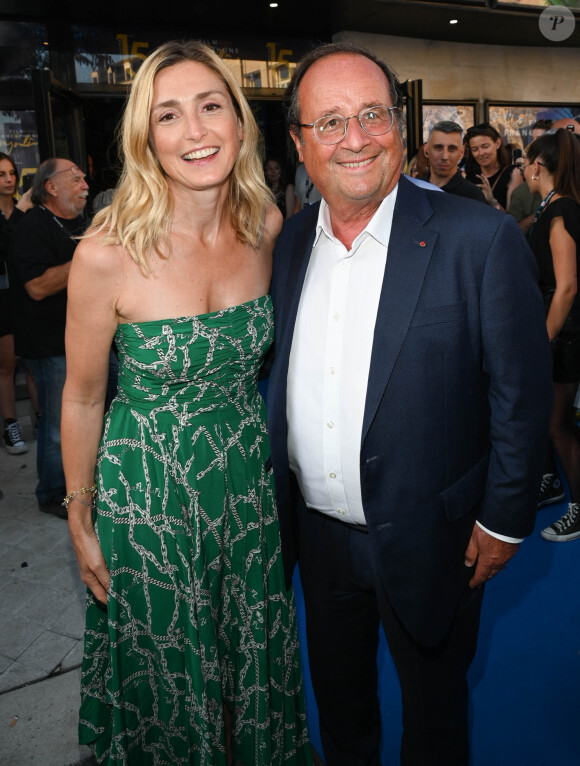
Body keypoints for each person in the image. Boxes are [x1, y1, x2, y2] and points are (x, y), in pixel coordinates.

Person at [267, 41, 552, 766]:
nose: (355, 138)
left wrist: (504, 519)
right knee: (341, 709)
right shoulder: (287, 245)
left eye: (371, 114)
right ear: (299, 143)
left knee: (434, 718)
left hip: (438, 535)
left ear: (401, 124)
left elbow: (520, 393)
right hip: (318, 540)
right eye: (328, 122)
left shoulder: (478, 239)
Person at [61, 40, 311, 766]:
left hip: (244, 488)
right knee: (172, 683)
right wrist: (80, 513)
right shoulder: (106, 252)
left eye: (211, 107)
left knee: (250, 665)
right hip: (148, 499)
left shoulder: (268, 228)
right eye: (169, 115)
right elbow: (80, 396)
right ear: (146, 136)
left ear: (239, 123)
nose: (195, 132)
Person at [8, 158, 88, 519]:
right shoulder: (31, 227)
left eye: (84, 177)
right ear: (51, 187)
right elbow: (37, 287)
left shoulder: (84, 224)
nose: (85, 182)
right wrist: (91, 257)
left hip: (87, 337)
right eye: (75, 177)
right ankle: (52, 491)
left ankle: (88, 481)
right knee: (57, 423)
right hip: (49, 342)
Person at [525, 129, 580, 542]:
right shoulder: (554, 208)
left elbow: (566, 287)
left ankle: (578, 507)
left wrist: (544, 339)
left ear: (537, 166)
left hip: (565, 336)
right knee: (550, 422)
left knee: (558, 425)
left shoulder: (562, 211)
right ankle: (555, 484)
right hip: (560, 333)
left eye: (526, 163)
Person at [0, 152, 34, 454]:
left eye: (12, 173)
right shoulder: (20, 211)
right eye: (1, 174)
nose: (9, 179)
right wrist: (21, 212)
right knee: (7, 365)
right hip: (3, 300)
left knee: (35, 362)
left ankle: (41, 417)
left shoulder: (26, 209)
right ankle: (10, 424)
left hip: (29, 297)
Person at [464, 123, 523, 211]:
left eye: (485, 146)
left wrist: (492, 201)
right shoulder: (470, 174)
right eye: (475, 149)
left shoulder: (513, 173)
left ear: (497, 143)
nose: (481, 153)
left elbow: (512, 219)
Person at [424, 120, 486, 202]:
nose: (444, 156)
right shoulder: (414, 189)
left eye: (452, 149)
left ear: (462, 152)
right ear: (426, 150)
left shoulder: (472, 196)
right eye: (438, 147)